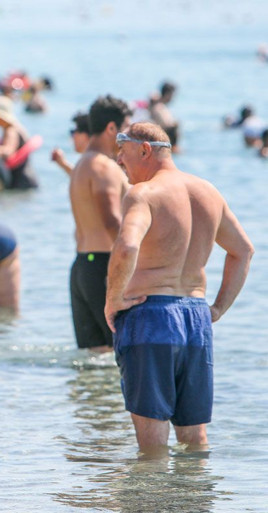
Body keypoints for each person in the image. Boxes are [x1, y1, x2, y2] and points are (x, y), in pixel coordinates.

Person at [105, 122, 254, 455]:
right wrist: (217, 308)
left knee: (152, 449)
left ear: (144, 150)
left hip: (151, 316)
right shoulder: (208, 192)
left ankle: (155, 505)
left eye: (122, 149)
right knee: (195, 441)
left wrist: (113, 300)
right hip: (197, 319)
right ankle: (195, 503)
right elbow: (244, 251)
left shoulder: (144, 193)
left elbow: (127, 247)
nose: (118, 159)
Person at [67, 95, 131, 352]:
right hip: (104, 266)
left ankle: (93, 396)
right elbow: (112, 221)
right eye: (125, 128)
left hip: (83, 265)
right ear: (111, 128)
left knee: (95, 361)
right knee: (121, 354)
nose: (128, 137)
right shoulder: (104, 167)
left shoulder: (82, 163)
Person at [0, 95, 38, 192]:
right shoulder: (12, 128)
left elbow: (8, 152)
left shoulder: (11, 130)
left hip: (21, 180)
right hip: (24, 177)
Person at [51, 111, 90, 176]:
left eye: (73, 132)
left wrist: (63, 163)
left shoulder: (92, 161)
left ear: (84, 135)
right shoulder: (91, 160)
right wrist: (63, 163)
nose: (72, 137)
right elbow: (81, 177)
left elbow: (82, 179)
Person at [148, 81, 179, 151]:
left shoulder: (159, 105)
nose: (172, 97)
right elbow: (166, 125)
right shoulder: (158, 107)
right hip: (164, 142)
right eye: (172, 94)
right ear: (168, 94)